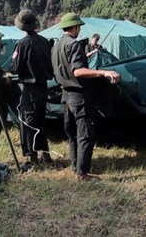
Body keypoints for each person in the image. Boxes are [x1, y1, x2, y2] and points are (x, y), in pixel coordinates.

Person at [51, 12, 121, 181]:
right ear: (75, 27)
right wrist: (104, 72)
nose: (79, 31)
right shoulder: (74, 45)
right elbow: (78, 71)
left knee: (73, 133)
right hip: (78, 96)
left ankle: (76, 165)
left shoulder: (56, 46)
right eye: (78, 28)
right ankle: (82, 174)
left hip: (65, 96)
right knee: (85, 133)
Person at [11, 9, 54, 167]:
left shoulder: (22, 44)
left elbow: (15, 68)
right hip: (43, 87)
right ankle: (46, 154)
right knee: (41, 121)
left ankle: (32, 157)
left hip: (30, 88)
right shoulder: (45, 41)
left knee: (28, 123)